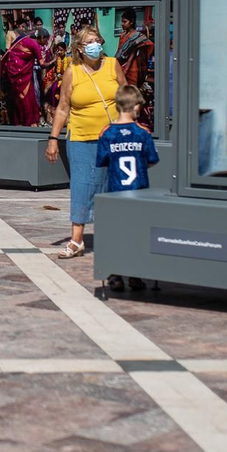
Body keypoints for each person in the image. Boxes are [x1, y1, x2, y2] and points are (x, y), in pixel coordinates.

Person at [45, 25, 127, 258]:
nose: (96, 45)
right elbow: (62, 108)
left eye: (98, 40)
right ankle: (76, 240)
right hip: (80, 138)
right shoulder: (73, 71)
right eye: (90, 41)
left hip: (111, 139)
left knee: (112, 187)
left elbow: (126, 95)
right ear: (79, 48)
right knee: (81, 186)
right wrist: (53, 138)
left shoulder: (112, 65)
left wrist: (126, 124)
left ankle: (112, 234)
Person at [96, 84, 160, 292]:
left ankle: (115, 274)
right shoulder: (143, 133)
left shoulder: (107, 134)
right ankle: (135, 274)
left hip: (115, 191)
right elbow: (152, 159)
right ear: (136, 108)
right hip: (139, 190)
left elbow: (102, 160)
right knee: (138, 233)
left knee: (116, 233)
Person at [0, 27, 47, 127]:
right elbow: (42, 64)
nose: (46, 42)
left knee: (19, 101)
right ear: (41, 37)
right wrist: (54, 61)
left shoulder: (23, 41)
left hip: (12, 75)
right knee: (27, 100)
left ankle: (19, 123)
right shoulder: (34, 44)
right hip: (23, 77)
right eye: (46, 39)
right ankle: (29, 124)